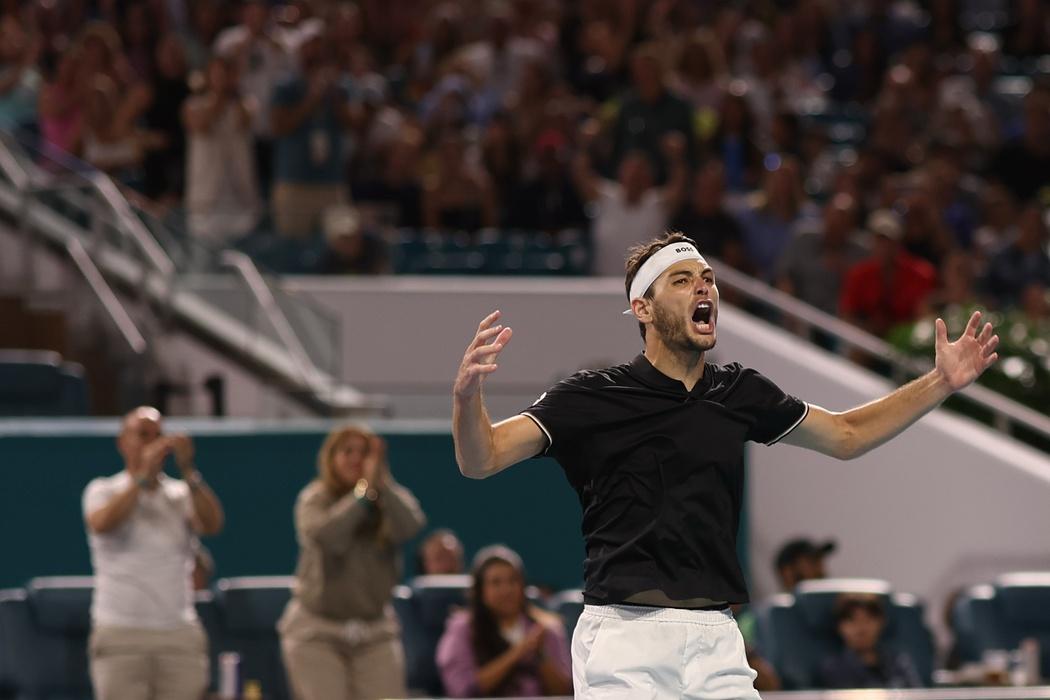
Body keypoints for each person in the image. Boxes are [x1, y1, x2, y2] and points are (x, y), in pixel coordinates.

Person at [452, 231, 999, 698]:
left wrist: (942, 383)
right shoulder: (592, 396)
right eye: (683, 279)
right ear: (643, 309)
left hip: (717, 638)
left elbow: (847, 434)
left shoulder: (740, 392)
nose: (704, 286)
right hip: (623, 639)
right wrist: (467, 399)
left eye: (707, 277)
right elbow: (484, 458)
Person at [82, 406, 224, 700]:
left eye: (158, 436)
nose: (153, 443)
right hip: (120, 634)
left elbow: (212, 524)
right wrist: (143, 478)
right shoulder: (103, 489)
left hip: (178, 635)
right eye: (143, 435)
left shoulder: (181, 494)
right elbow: (103, 523)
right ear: (123, 443)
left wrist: (188, 470)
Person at [278, 423, 426, 700]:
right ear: (331, 458)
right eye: (348, 451)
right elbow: (327, 537)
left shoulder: (386, 498)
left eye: (365, 453)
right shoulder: (314, 498)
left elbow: (412, 525)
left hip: (375, 632)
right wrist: (362, 496)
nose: (357, 459)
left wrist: (383, 484)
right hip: (317, 632)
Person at [436, 545, 573, 697]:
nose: (507, 590)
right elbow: (463, 690)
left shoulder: (546, 628)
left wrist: (541, 655)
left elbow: (564, 693)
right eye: (496, 583)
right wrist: (518, 652)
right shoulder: (462, 629)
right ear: (480, 590)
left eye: (513, 580)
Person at [818, 594, 923, 689]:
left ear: (881, 622)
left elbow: (917, 695)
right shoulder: (834, 668)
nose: (861, 628)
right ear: (840, 626)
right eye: (852, 620)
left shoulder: (900, 663)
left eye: (868, 619)